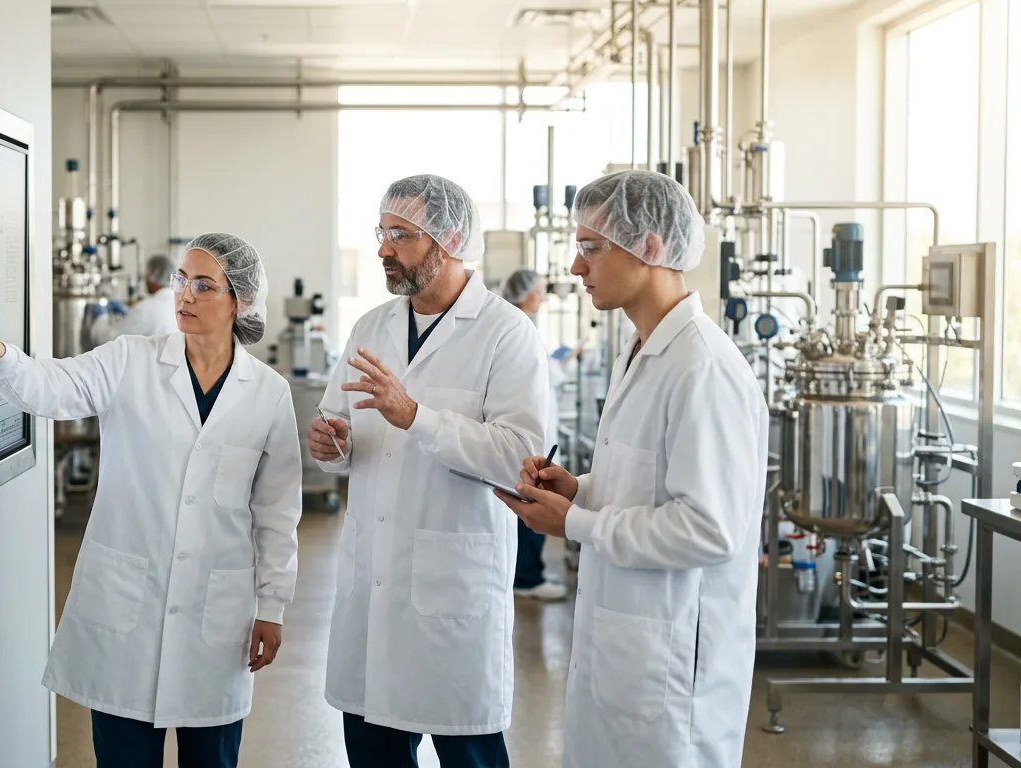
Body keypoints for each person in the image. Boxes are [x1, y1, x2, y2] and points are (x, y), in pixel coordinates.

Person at [0, 233, 301, 768]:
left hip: (218, 614)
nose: (184, 294)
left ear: (241, 300)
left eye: (203, 285)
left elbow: (277, 510)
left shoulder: (268, 392)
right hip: (127, 613)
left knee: (213, 758)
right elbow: (51, 386)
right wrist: (0, 357)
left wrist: (271, 606)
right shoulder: (130, 360)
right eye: (182, 280)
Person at [492, 170, 768, 768]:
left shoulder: (703, 370)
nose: (575, 267)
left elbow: (709, 528)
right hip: (625, 652)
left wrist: (578, 524)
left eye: (591, 249)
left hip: (673, 674)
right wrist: (581, 491)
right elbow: (650, 491)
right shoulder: (640, 350)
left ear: (649, 246)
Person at [307, 174, 548, 767]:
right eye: (382, 233)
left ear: (452, 239)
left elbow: (522, 459)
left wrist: (415, 416)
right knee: (372, 749)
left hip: (451, 590)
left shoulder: (506, 334)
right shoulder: (372, 327)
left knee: (467, 749)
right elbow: (343, 430)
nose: (385, 249)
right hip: (372, 581)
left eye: (402, 235)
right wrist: (330, 443)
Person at [499, 268, 571, 602]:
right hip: (528, 437)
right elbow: (548, 375)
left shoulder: (518, 324)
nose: (543, 296)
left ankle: (526, 574)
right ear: (526, 293)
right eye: (540, 290)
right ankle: (527, 578)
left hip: (530, 434)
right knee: (530, 501)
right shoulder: (519, 327)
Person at [93, 253, 180, 346]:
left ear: (152, 276)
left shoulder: (145, 308)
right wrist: (130, 313)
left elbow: (110, 340)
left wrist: (101, 318)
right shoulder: (180, 303)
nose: (145, 279)